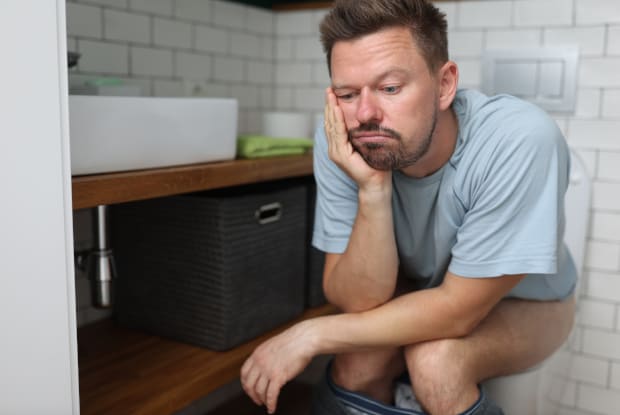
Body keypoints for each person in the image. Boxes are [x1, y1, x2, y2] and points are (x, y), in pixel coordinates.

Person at [240, 0, 576, 414]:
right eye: (347, 93)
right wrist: (373, 189)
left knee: (436, 363)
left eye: (390, 88)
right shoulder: (343, 142)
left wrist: (310, 334)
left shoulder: (518, 140)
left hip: (528, 304)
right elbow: (355, 299)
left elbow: (456, 312)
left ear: (445, 84)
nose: (365, 114)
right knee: (358, 362)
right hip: (413, 291)